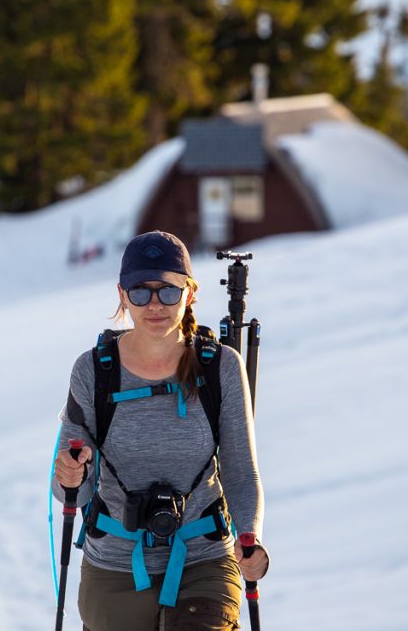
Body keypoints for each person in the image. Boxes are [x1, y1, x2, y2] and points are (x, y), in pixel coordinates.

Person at [54, 230, 268, 631]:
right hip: (115, 564)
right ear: (122, 295)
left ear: (190, 293)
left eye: (168, 291)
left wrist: (250, 538)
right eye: (140, 292)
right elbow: (72, 493)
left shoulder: (220, 367)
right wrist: (69, 473)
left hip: (203, 558)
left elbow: (241, 473)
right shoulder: (94, 371)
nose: (155, 304)